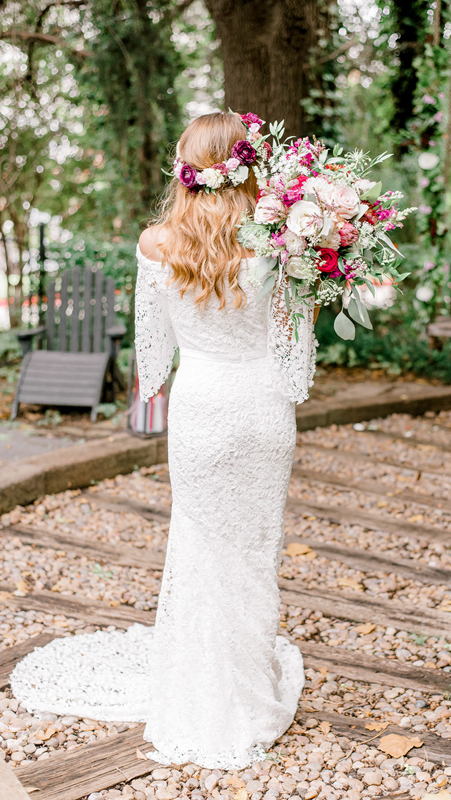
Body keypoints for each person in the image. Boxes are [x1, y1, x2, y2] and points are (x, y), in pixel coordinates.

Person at [10, 111, 318, 770]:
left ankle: (202, 691)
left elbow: (155, 353)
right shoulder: (283, 244)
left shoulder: (156, 244)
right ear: (249, 166)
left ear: (186, 167)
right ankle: (248, 688)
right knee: (256, 546)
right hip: (262, 406)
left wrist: (160, 379)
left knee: (202, 542)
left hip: (202, 405)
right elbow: (294, 350)